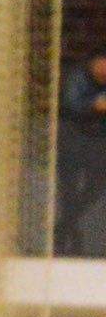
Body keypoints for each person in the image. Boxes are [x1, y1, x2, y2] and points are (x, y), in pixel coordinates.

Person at [56, 54, 106, 254]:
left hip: (97, 144)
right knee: (69, 190)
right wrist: (93, 106)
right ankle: (68, 236)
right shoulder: (78, 79)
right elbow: (70, 105)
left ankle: (63, 227)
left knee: (97, 185)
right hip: (72, 142)